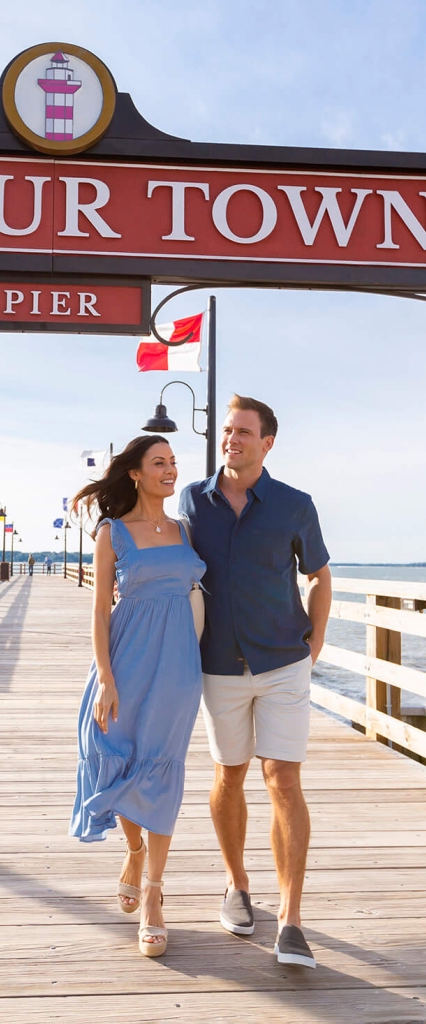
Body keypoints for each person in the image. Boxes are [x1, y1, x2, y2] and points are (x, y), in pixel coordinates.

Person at [178, 395, 331, 969]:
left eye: (243, 432)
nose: (231, 440)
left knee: (282, 779)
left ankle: (291, 920)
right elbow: (162, 548)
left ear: (268, 442)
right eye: (227, 431)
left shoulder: (295, 505)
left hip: (282, 663)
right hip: (218, 664)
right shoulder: (193, 499)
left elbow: (319, 575)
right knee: (229, 773)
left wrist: (314, 644)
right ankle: (237, 885)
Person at [69, 436, 206, 957]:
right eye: (159, 463)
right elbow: (100, 610)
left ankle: (153, 893)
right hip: (126, 657)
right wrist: (105, 677)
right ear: (135, 473)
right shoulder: (112, 533)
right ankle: (133, 849)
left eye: (173, 463)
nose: (170, 470)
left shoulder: (186, 529)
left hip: (177, 664)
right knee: (119, 755)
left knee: (161, 764)